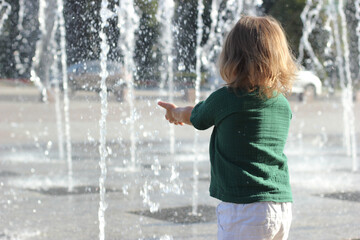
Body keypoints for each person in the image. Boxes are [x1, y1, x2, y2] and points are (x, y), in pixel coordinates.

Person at [158, 15, 298, 240]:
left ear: (232, 58)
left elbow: (196, 116)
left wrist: (175, 113)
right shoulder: (282, 104)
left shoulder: (225, 98)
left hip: (243, 209)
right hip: (281, 205)